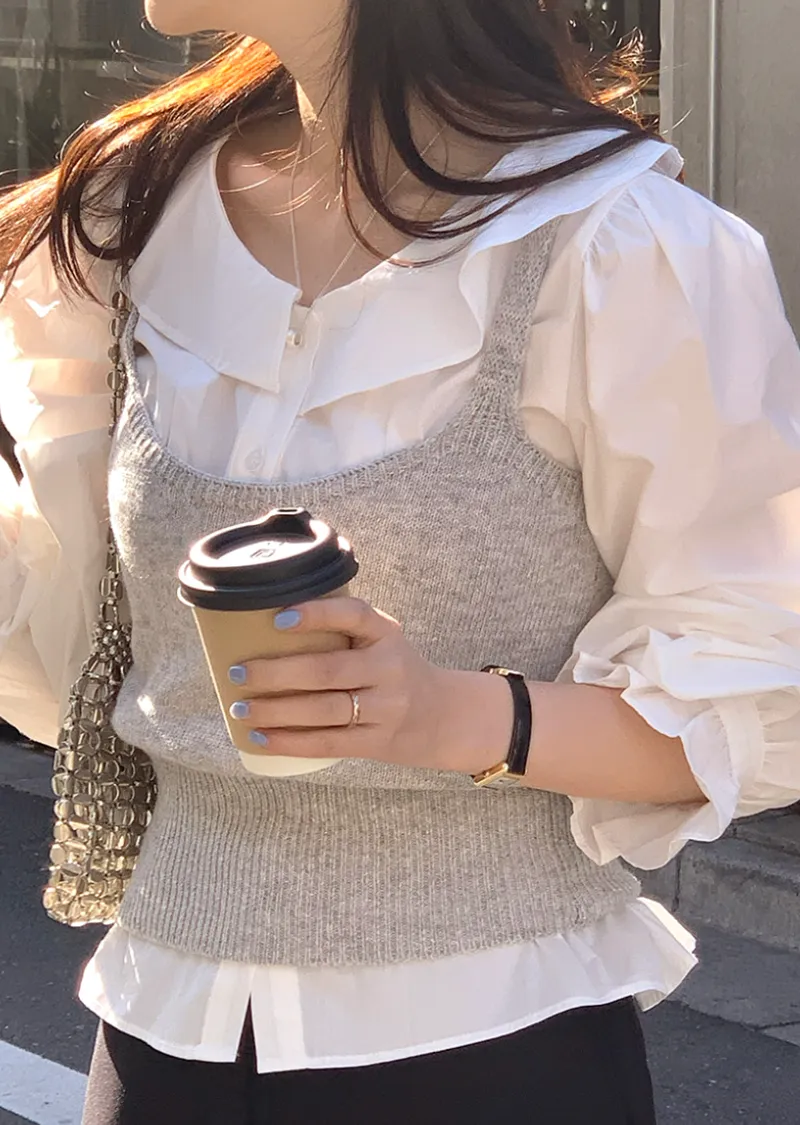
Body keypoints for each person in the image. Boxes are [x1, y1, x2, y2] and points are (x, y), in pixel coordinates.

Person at [1, 2, 799, 1122]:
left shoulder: (615, 245)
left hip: (490, 1039)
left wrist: (448, 716)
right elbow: (66, 636)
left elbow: (752, 703)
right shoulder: (130, 213)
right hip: (163, 1023)